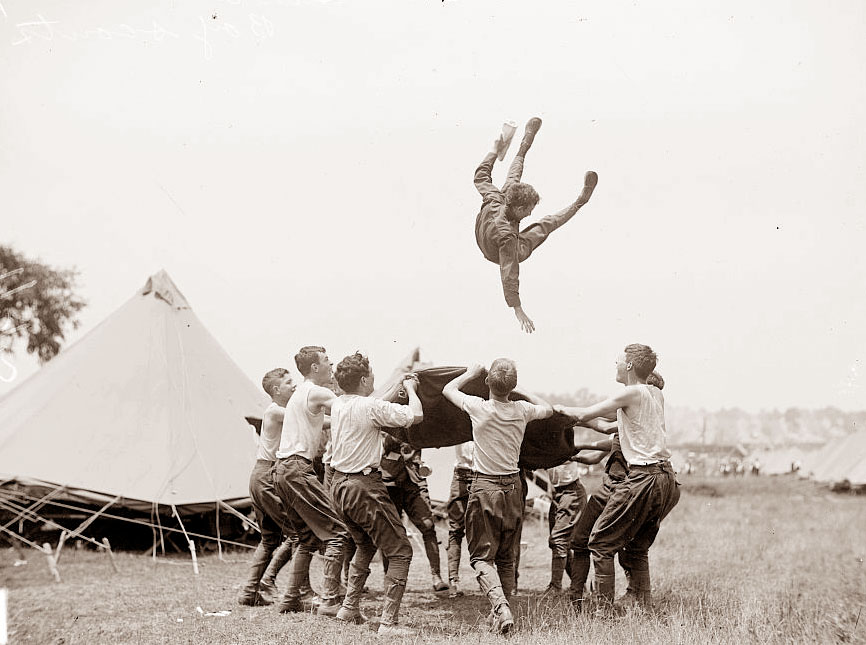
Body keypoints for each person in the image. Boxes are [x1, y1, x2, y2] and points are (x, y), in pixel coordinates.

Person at [556, 346, 679, 610]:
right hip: (665, 478)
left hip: (643, 478)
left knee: (600, 543)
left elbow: (585, 414)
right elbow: (604, 423)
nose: (615, 363)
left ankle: (603, 613)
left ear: (630, 366)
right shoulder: (655, 394)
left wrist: (555, 409)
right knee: (635, 548)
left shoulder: (631, 393)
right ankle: (642, 603)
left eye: (619, 361)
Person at [443, 360, 554, 634]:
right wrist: (522, 390)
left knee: (481, 557)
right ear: (512, 387)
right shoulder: (522, 409)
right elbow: (549, 409)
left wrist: (470, 372)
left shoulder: (478, 407)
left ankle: (500, 607)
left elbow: (448, 389)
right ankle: (503, 614)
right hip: (514, 489)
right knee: (506, 557)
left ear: (487, 384)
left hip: (485, 487)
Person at [473, 117, 598, 333]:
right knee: (546, 224)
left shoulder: (497, 197)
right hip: (493, 248)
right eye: (529, 209)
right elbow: (509, 273)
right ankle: (580, 202)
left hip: (489, 226)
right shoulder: (508, 238)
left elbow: (481, 176)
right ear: (519, 209)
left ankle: (525, 144)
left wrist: (495, 149)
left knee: (512, 177)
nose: (531, 212)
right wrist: (517, 308)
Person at [327, 352, 423, 635]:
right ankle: (388, 624)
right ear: (365, 379)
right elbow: (415, 415)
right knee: (401, 551)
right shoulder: (370, 406)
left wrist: (399, 387)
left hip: (339, 486)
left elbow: (376, 401)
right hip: (363, 486)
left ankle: (348, 608)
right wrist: (413, 390)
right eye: (372, 374)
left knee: (365, 545)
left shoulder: (338, 404)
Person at [272, 346, 349, 617]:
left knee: (306, 538)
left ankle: (290, 598)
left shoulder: (301, 395)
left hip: (283, 469)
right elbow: (352, 409)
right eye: (327, 361)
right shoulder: (317, 392)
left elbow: (327, 422)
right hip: (297, 468)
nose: (331, 365)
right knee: (338, 533)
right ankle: (330, 600)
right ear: (315, 367)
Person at [238, 368, 296, 606]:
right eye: (289, 383)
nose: (295, 386)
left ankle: (248, 591)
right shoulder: (275, 411)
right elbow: (307, 418)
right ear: (276, 390)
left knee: (270, 539)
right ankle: (269, 580)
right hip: (267, 476)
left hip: (261, 475)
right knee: (298, 533)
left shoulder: (278, 412)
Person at [380, 436, 449, 592]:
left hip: (414, 481)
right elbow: (386, 443)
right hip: (389, 481)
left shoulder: (417, 415)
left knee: (428, 525)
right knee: (389, 532)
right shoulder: (385, 415)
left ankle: (436, 576)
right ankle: (389, 578)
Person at [542, 459, 587, 595]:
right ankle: (579, 585)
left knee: (558, 540)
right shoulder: (545, 444)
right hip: (557, 494)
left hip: (571, 492)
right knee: (560, 544)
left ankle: (555, 587)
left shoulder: (563, 441)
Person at [445, 441, 474, 598]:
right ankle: (453, 580)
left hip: (482, 475)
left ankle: (489, 579)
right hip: (460, 475)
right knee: (455, 530)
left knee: (484, 530)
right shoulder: (459, 419)